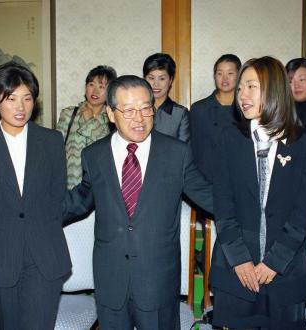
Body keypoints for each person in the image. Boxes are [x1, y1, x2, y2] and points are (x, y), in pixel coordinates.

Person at [64, 75, 212, 329]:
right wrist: (34, 212)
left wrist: (253, 208)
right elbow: (81, 200)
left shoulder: (176, 153)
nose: (139, 118)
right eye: (129, 110)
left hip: (157, 280)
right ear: (111, 114)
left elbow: (209, 197)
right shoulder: (94, 155)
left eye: (146, 108)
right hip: (111, 279)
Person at [210, 56, 306, 329]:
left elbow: (304, 209)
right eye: (240, 89)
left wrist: (275, 262)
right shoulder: (229, 139)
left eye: (251, 87)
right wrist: (240, 260)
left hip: (285, 270)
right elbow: (223, 206)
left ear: (274, 90)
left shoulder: (305, 142)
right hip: (235, 269)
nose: (242, 96)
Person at [0, 62, 71, 329]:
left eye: (27, 98)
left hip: (44, 257)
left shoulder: (51, 141)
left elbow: (57, 199)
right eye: (11, 99)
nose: (20, 107)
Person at [56, 65, 117, 188]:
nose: (95, 91)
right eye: (91, 84)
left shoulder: (114, 119)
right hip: (70, 187)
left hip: (100, 187)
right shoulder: (69, 114)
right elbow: (55, 151)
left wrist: (89, 121)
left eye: (102, 87)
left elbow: (107, 152)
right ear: (85, 87)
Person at [190, 54, 241, 182]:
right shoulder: (199, 109)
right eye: (219, 73)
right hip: (208, 181)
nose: (224, 78)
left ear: (239, 75)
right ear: (214, 76)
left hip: (239, 180)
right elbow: (195, 150)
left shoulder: (247, 110)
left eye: (230, 73)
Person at [143, 53, 190, 142]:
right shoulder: (135, 110)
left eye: (162, 79)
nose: (156, 84)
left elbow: (183, 150)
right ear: (144, 79)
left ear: (170, 80)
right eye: (151, 78)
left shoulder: (180, 114)